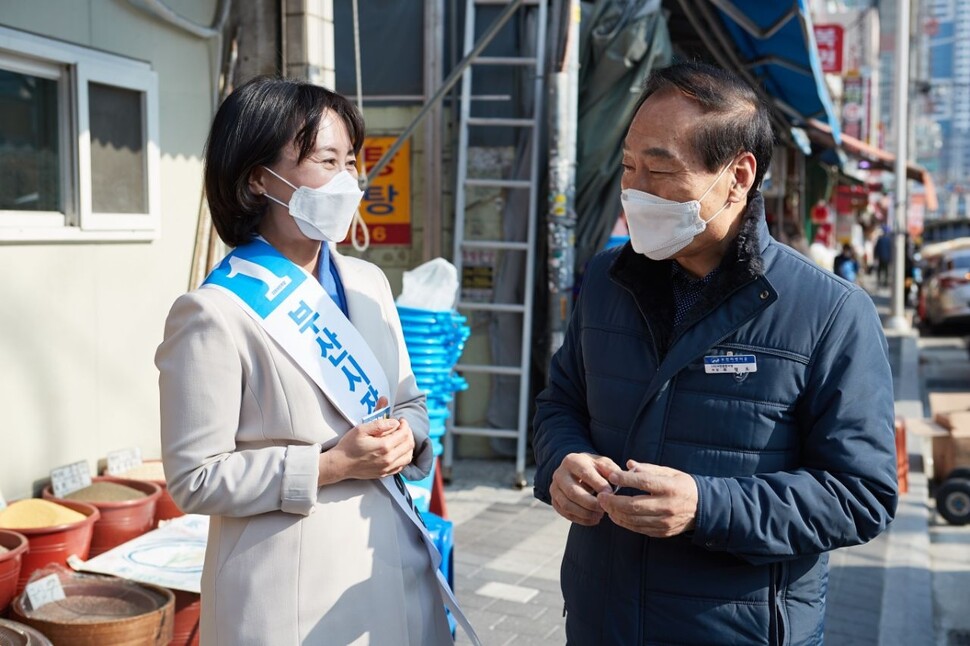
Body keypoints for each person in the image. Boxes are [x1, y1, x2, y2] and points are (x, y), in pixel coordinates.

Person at [532, 62, 897, 645]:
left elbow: (860, 495)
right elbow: (560, 404)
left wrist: (707, 505)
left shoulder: (829, 312)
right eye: (628, 167)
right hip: (603, 617)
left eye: (658, 170)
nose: (635, 192)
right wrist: (561, 462)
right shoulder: (606, 280)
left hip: (739, 629)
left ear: (737, 176)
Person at [155, 77, 455, 645]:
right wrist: (331, 465)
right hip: (288, 597)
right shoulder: (212, 312)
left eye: (351, 163)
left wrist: (407, 438)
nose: (347, 181)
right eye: (325, 161)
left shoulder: (368, 283)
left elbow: (410, 402)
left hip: (390, 571)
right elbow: (195, 478)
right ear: (256, 178)